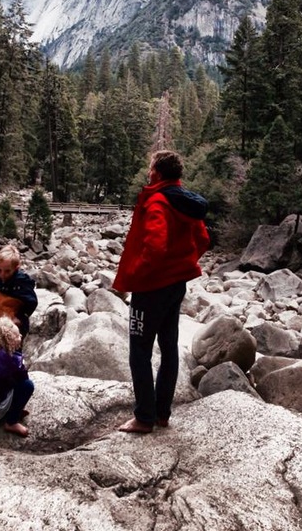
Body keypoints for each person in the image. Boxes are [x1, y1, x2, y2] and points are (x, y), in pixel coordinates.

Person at [113, 149, 210, 433]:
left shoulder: (158, 201)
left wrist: (135, 276)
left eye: (150, 166)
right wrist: (183, 263)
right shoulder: (184, 202)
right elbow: (203, 238)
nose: (148, 170)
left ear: (156, 172)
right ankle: (162, 414)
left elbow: (155, 247)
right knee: (169, 348)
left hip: (151, 287)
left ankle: (144, 416)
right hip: (175, 286)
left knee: (139, 351)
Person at [0, 243, 38, 340]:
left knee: (12, 352)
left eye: (7, 271)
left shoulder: (20, 282)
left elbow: (32, 302)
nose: (2, 274)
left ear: (16, 268)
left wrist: (20, 317)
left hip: (15, 327)